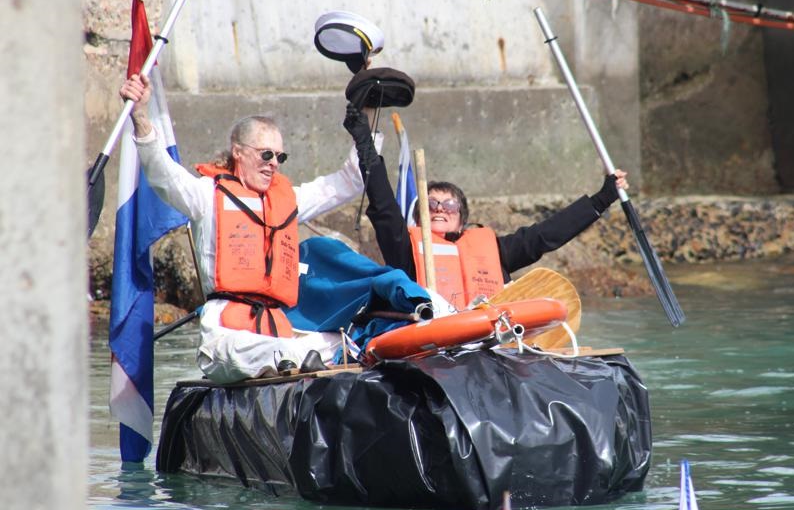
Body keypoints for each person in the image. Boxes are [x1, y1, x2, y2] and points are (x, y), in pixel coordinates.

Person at [120, 73, 376, 383]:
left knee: (349, 340)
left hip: (277, 327)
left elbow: (348, 183)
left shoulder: (287, 199)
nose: (273, 163)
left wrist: (367, 120)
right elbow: (162, 173)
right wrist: (141, 116)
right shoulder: (206, 194)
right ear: (238, 152)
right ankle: (289, 360)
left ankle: (292, 359)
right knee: (250, 350)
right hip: (229, 332)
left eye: (279, 156)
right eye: (266, 154)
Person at [343, 98, 629, 312]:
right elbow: (383, 205)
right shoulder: (404, 248)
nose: (440, 208)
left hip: (489, 338)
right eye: (431, 204)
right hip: (433, 339)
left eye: (450, 205)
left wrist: (602, 198)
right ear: (418, 219)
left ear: (462, 219)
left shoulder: (496, 250)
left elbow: (545, 236)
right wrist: (364, 143)